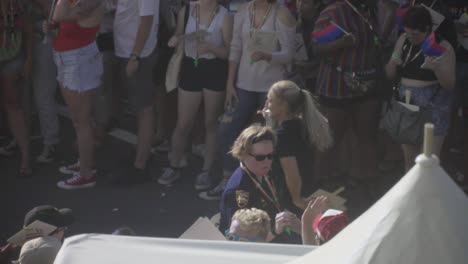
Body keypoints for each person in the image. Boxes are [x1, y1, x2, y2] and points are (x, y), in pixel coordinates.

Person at [199, 0, 296, 201]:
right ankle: (229, 179)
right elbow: (235, 48)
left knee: (271, 138)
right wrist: (229, 83)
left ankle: (269, 188)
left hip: (271, 90)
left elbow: (289, 54)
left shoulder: (281, 13)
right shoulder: (244, 11)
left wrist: (268, 56)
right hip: (242, 85)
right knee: (226, 130)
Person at [158, 0, 233, 190]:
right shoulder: (188, 10)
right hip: (191, 66)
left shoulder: (224, 15)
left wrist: (211, 48)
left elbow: (229, 52)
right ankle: (174, 164)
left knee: (210, 123)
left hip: (214, 69)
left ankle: (206, 171)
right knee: (183, 122)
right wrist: (176, 40)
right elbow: (177, 35)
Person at [311, 0, 383, 186]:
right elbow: (316, 48)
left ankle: (363, 179)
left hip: (367, 81)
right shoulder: (333, 12)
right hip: (336, 84)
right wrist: (341, 43)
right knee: (331, 137)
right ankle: (322, 182)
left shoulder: (371, 10)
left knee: (367, 134)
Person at [385, 6, 456, 171]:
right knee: (410, 162)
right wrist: (393, 61)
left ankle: (429, 196)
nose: (411, 37)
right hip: (407, 104)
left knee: (429, 162)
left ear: (427, 29)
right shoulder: (403, 39)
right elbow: (389, 75)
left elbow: (449, 84)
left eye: (415, 34)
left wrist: (436, 69)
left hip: (433, 107)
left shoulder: (443, 46)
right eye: (407, 32)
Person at [49, 0, 103, 189]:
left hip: (78, 59)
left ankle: (86, 174)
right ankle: (85, 163)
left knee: (82, 120)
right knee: (79, 119)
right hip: (70, 58)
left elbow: (57, 15)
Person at [112, 0, 160, 184]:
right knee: (138, 108)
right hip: (128, 51)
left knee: (144, 109)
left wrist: (135, 55)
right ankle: (140, 155)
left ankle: (140, 165)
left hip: (138, 54)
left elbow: (147, 19)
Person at [265, 80, 332, 212]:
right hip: (310, 187)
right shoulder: (305, 125)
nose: (267, 105)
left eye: (270, 101)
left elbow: (291, 173)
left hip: (292, 199)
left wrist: (297, 200)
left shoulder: (283, 136)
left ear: (283, 105)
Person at [219, 125, 279, 232]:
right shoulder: (239, 190)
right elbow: (239, 236)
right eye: (260, 157)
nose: (267, 161)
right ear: (243, 153)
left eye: (270, 156)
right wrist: (275, 232)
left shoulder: (263, 172)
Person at [0, 0, 33, 177]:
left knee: (14, 107)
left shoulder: (16, 4)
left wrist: (29, 59)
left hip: (12, 56)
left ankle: (26, 157)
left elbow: (28, 30)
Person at [31, 0, 60, 163]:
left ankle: (51, 142)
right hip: (24, 41)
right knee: (26, 98)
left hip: (45, 41)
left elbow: (54, 17)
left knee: (43, 96)